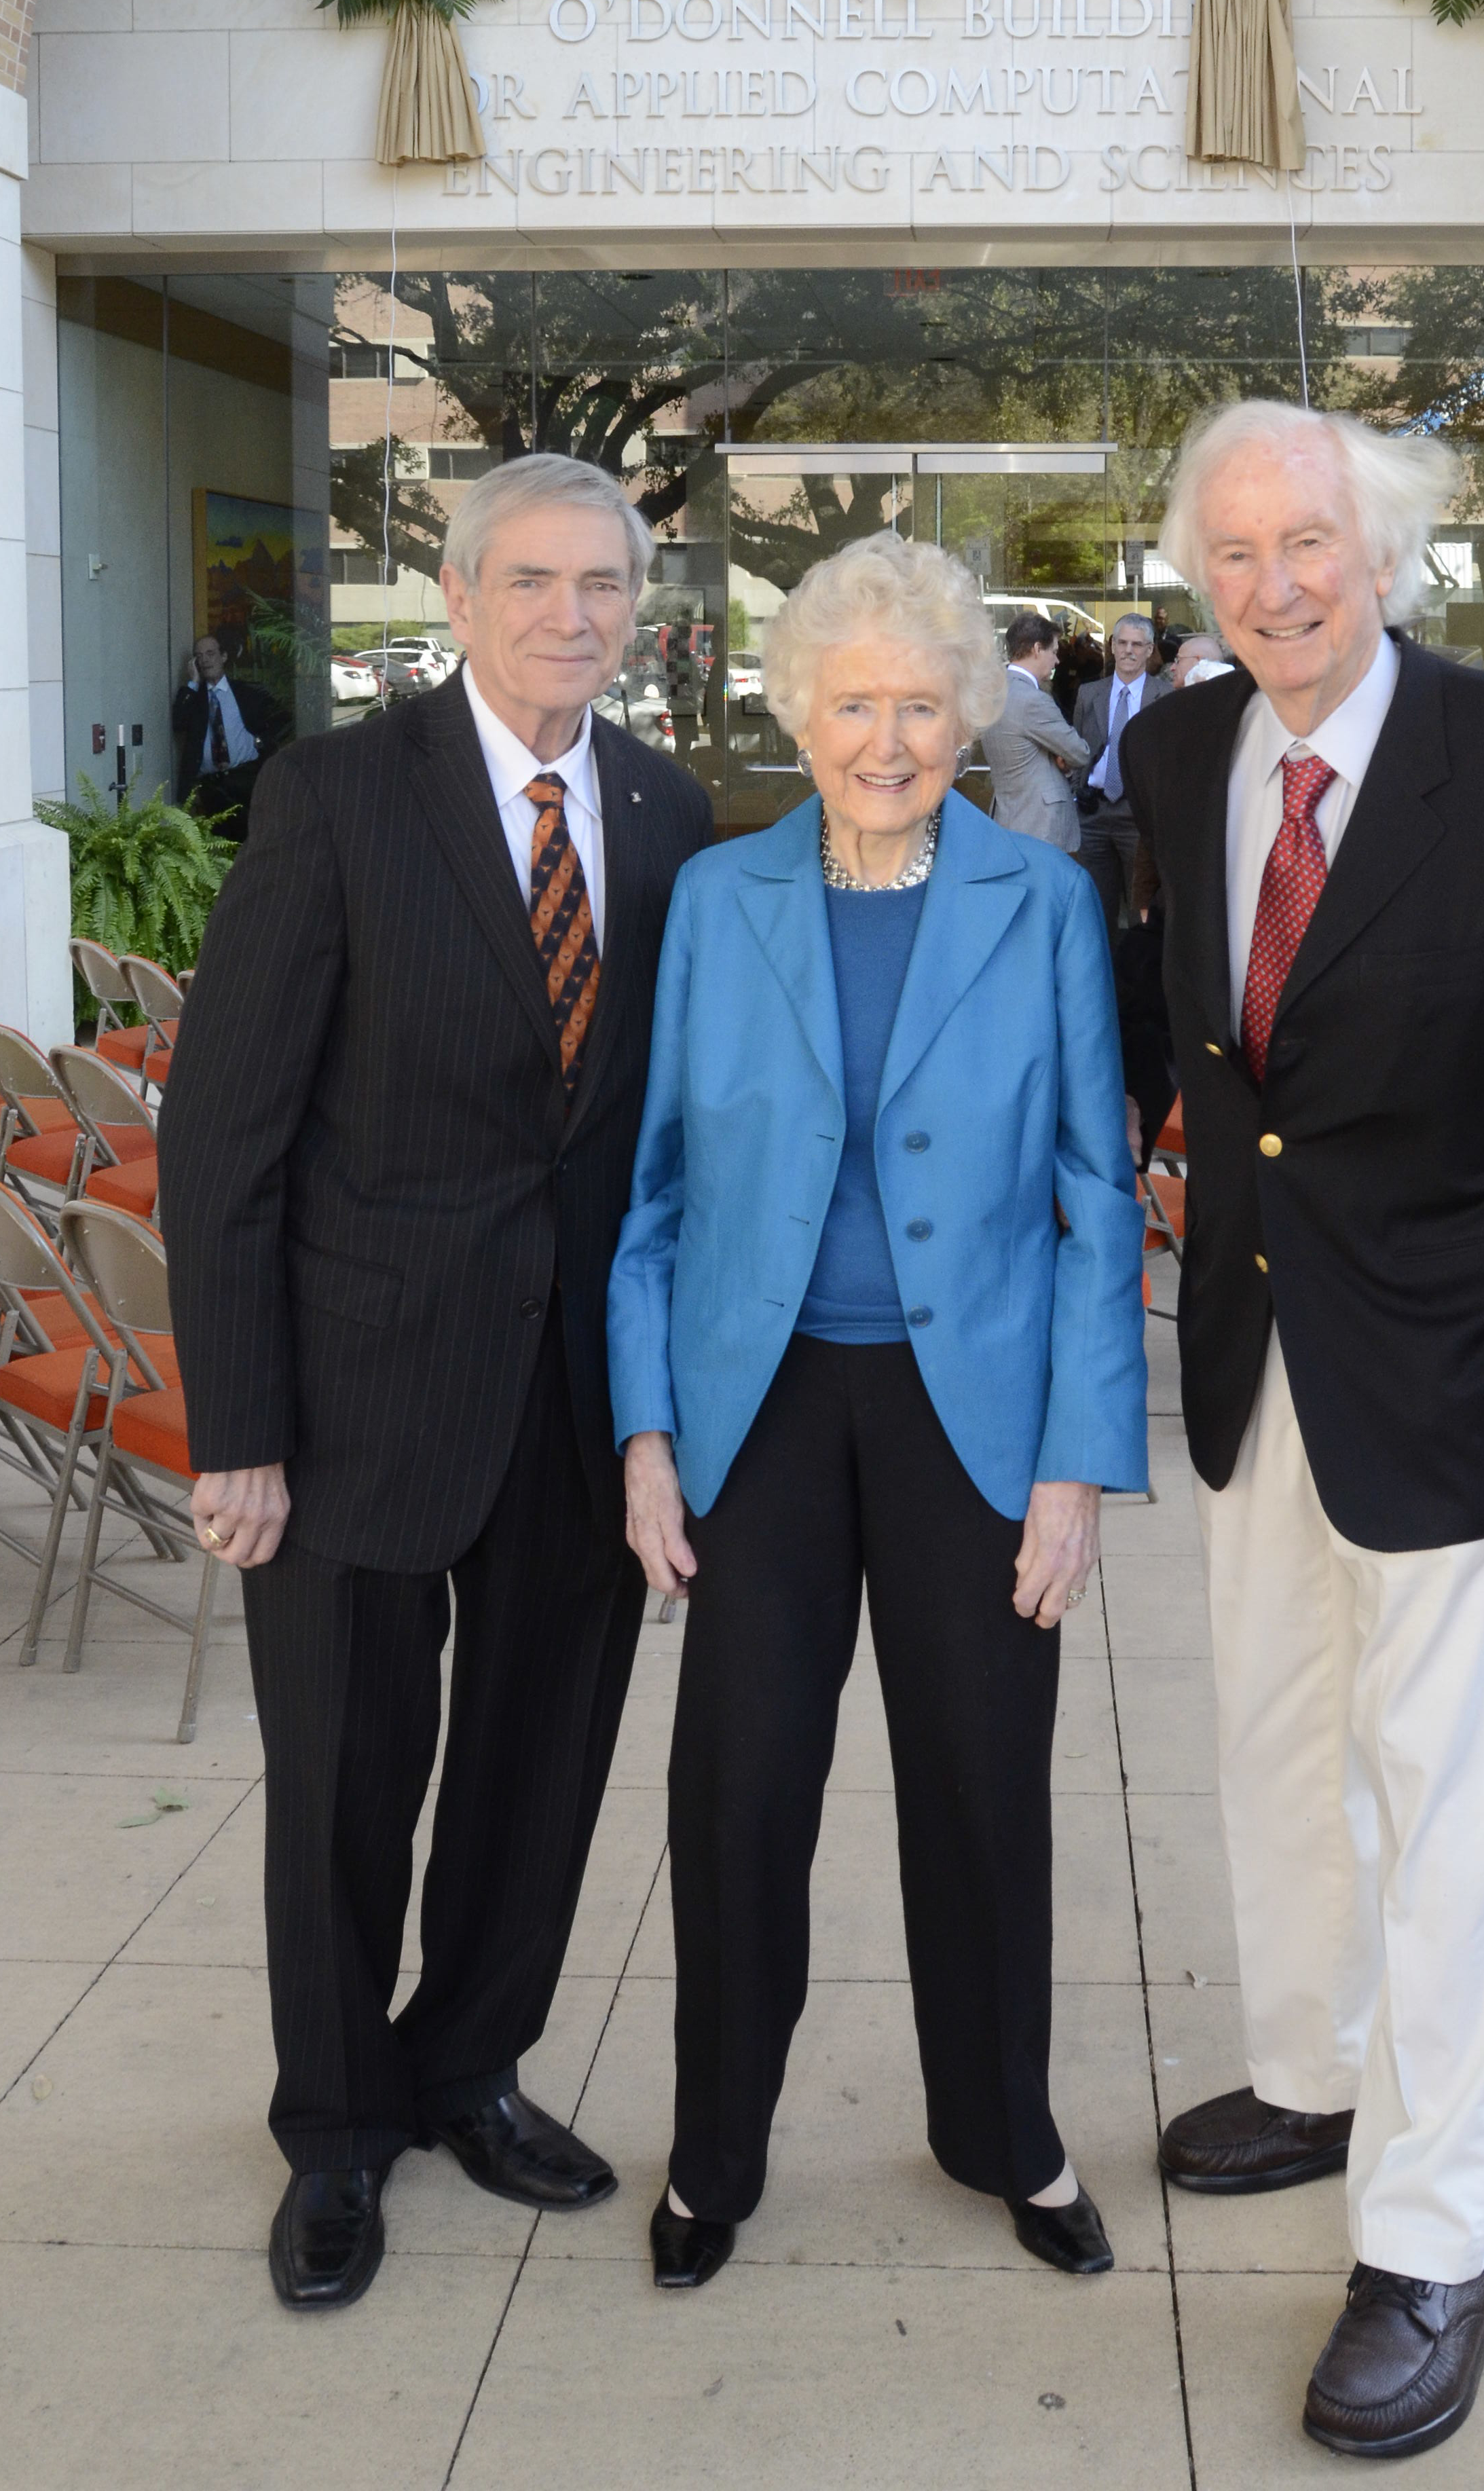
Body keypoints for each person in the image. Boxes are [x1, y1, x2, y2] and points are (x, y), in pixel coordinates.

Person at [1119, 400, 1484, 2460]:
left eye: (1308, 541)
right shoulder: (1177, 755)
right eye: (1234, 547)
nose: (1272, 580)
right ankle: (1309, 2068)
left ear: (1389, 551)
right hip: (1250, 1349)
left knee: (1451, 1805)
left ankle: (1435, 2238)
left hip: (1451, 1369)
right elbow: (1186, 1042)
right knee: (1268, 1740)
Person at [159, 454, 713, 2315]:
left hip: (578, 1409)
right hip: (354, 1401)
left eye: (603, 587)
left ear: (638, 611)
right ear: (460, 599)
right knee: (340, 1788)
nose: (571, 614)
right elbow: (219, 1139)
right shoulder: (333, 798)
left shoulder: (669, 807)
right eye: (534, 582)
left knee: (536, 1779)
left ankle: (468, 2064)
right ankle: (334, 2131)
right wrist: (234, 1427)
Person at [607, 532, 1147, 2295]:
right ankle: (716, 2153)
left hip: (972, 1417)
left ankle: (1007, 2131)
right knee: (740, 1787)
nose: (891, 738)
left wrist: (1077, 1464)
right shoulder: (716, 900)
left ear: (973, 713)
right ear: (800, 711)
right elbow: (658, 1194)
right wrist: (645, 1431)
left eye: (923, 703)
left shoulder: (1041, 904)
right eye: (856, 703)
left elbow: (1095, 1195)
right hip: (756, 1411)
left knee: (984, 1789)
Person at [1073, 611, 1171, 933]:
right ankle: (1102, 980)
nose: (1129, 650)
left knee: (1140, 911)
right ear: (1113, 647)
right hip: (1094, 814)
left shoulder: (1165, 696)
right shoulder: (1089, 694)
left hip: (1138, 815)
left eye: (1137, 645)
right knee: (1095, 911)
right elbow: (1077, 749)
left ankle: (1134, 981)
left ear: (1149, 649)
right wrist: (1079, 790)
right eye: (1123, 643)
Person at [979, 610, 1092, 850]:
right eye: (1054, 651)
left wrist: (1055, 755)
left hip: (1007, 817)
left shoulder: (994, 693)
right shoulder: (1033, 700)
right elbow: (1080, 752)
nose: (1057, 660)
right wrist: (1060, 756)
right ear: (1038, 649)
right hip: (1040, 824)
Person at [172, 630, 286, 825]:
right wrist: (193, 683)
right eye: (199, 656)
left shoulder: (245, 692)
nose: (205, 661)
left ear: (223, 657)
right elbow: (178, 723)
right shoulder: (194, 697)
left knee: (249, 835)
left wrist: (260, 742)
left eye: (210, 654)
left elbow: (281, 719)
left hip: (245, 777)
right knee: (216, 844)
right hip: (210, 785)